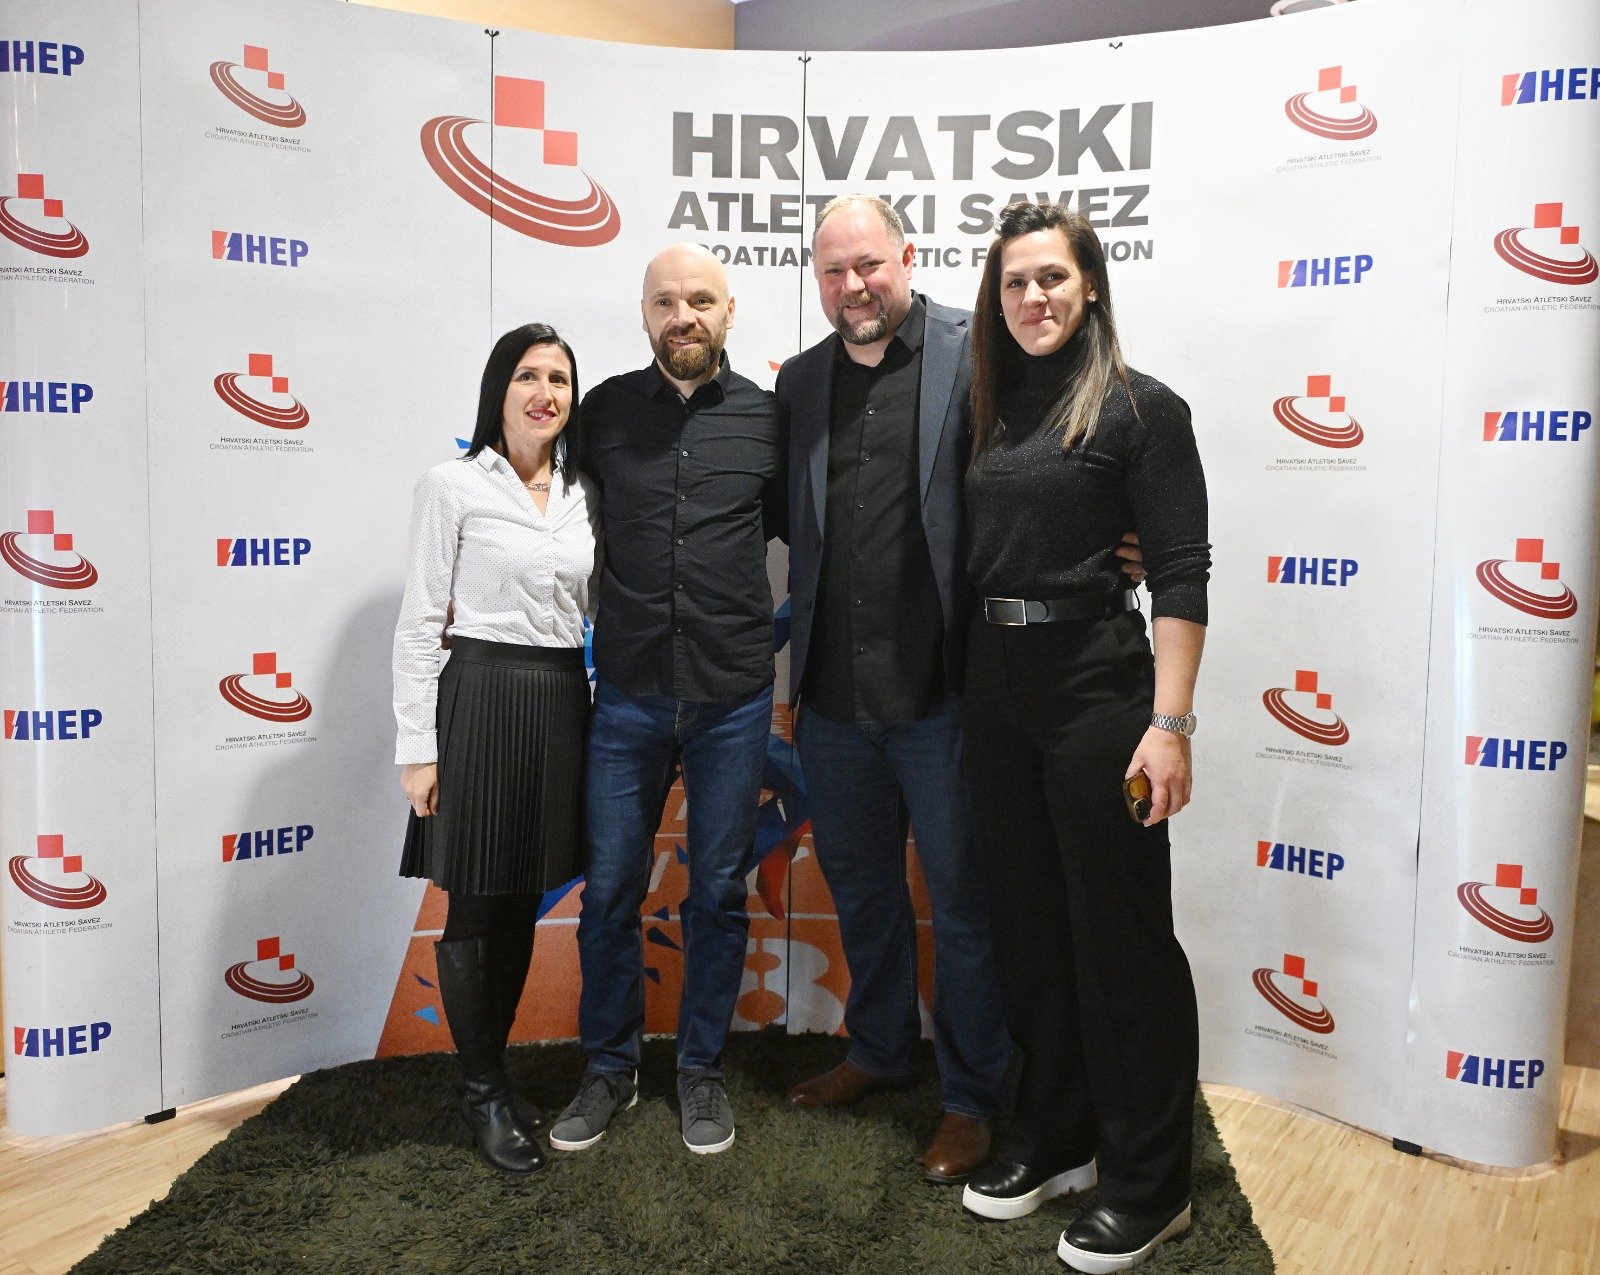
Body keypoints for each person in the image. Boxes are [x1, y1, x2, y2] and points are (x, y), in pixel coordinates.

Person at [956, 202, 1208, 1273]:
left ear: (1091, 284)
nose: (1034, 298)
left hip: (1097, 691)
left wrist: (1169, 725)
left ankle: (1151, 1184)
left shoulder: (1143, 409)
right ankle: (1058, 1137)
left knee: (1121, 940)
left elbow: (1181, 573)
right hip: (993, 689)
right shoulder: (988, 408)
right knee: (1027, 927)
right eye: (1015, 282)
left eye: (1052, 277)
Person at [775, 195, 1014, 1185]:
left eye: (867, 264)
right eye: (833, 272)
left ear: (906, 257)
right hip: (834, 700)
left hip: (945, 696)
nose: (853, 286)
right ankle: (877, 1050)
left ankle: (973, 1097)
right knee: (865, 892)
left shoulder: (976, 349)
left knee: (963, 906)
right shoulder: (799, 382)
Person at [547, 243, 784, 1157]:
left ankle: (700, 1071)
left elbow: (810, 529)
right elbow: (540, 500)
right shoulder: (601, 413)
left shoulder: (769, 418)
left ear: (729, 311)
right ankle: (609, 1067)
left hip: (733, 695)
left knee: (717, 892)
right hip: (629, 693)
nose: (682, 316)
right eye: (664, 302)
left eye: (700, 300)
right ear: (643, 314)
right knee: (609, 889)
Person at [392, 323, 598, 1177]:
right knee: (476, 908)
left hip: (562, 701)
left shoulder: (587, 493)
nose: (545, 393)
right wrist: (418, 747)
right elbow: (419, 622)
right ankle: (480, 1093)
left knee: (521, 903)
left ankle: (497, 1077)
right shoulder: (452, 485)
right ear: (498, 389)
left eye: (559, 378)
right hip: (478, 700)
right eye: (527, 376)